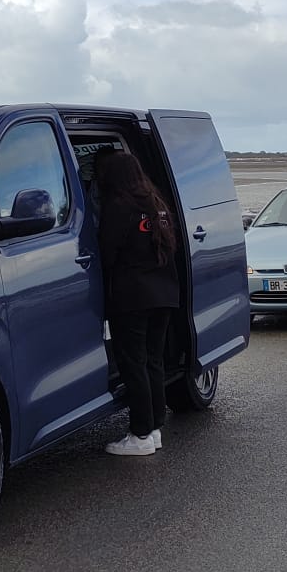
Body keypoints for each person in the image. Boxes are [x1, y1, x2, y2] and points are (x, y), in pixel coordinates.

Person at [96, 149, 181, 457]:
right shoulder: (157, 204)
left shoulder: (119, 207)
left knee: (133, 364)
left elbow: (106, 253)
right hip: (164, 293)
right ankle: (155, 428)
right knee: (153, 361)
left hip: (132, 296)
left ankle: (141, 434)